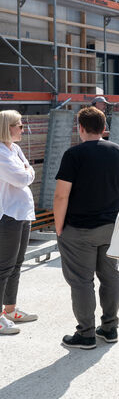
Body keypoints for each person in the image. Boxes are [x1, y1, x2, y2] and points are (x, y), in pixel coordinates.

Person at [53, 106, 119, 350]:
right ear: (103, 127)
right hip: (110, 226)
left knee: (81, 281)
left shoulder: (73, 154)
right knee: (111, 276)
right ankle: (110, 328)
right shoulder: (118, 151)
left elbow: (60, 196)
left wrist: (58, 228)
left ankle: (85, 333)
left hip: (78, 228)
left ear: (81, 128)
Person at [0, 110, 37, 335]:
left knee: (16, 265)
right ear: (8, 127)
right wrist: (27, 171)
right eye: (20, 125)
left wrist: (27, 171)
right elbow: (21, 178)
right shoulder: (1, 153)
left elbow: (27, 172)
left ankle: (10, 309)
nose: (23, 129)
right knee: (4, 266)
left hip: (23, 213)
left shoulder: (16, 149)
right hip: (9, 215)